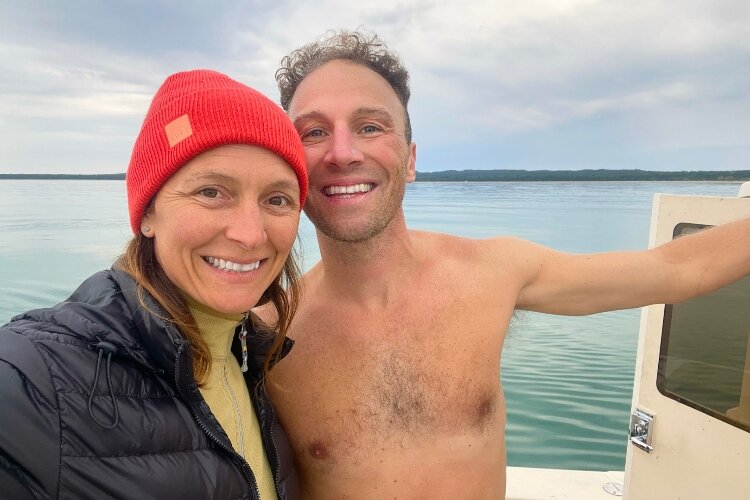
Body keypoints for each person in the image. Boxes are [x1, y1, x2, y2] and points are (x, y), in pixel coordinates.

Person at [260, 30, 750, 499]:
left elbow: (679, 270)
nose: (343, 153)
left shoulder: (491, 273)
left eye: (370, 126)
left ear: (409, 159)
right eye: (314, 131)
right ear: (290, 162)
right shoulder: (267, 334)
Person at [0, 69, 307, 499]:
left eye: (277, 199)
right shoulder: (35, 381)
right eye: (212, 192)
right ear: (147, 214)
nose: (250, 234)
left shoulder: (253, 362)